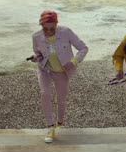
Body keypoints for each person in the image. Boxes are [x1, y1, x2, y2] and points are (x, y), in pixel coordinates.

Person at [30, 10, 88, 143]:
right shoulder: (36, 36)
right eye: (45, 29)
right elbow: (38, 53)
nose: (49, 31)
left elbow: (83, 48)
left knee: (61, 99)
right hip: (44, 69)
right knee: (45, 94)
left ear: (56, 24)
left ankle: (60, 121)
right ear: (41, 26)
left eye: (52, 28)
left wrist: (73, 62)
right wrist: (35, 57)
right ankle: (50, 127)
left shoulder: (66, 32)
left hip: (62, 71)